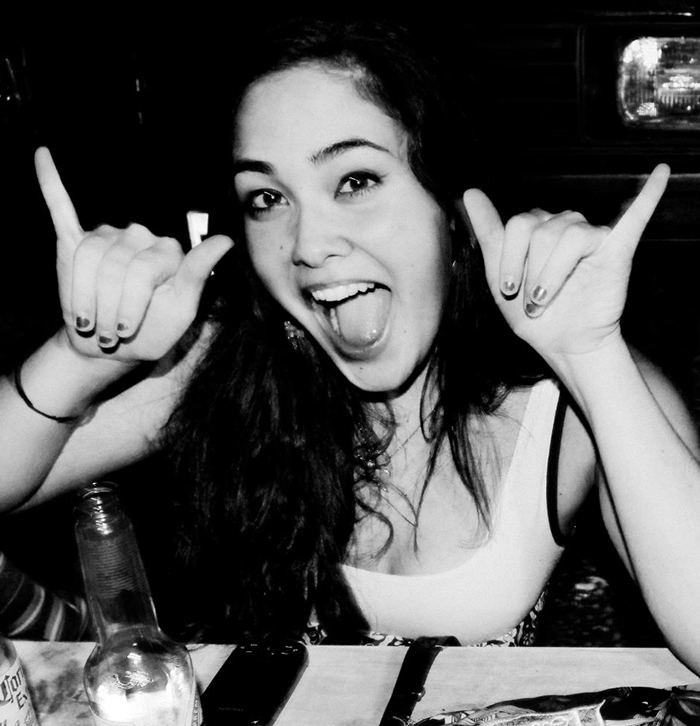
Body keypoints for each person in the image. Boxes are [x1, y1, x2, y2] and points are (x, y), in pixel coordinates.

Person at [1, 18, 700, 671]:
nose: (306, 245)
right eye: (266, 199)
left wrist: (590, 354)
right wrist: (81, 358)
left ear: (450, 207)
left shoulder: (567, 397)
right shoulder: (223, 366)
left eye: (356, 181)